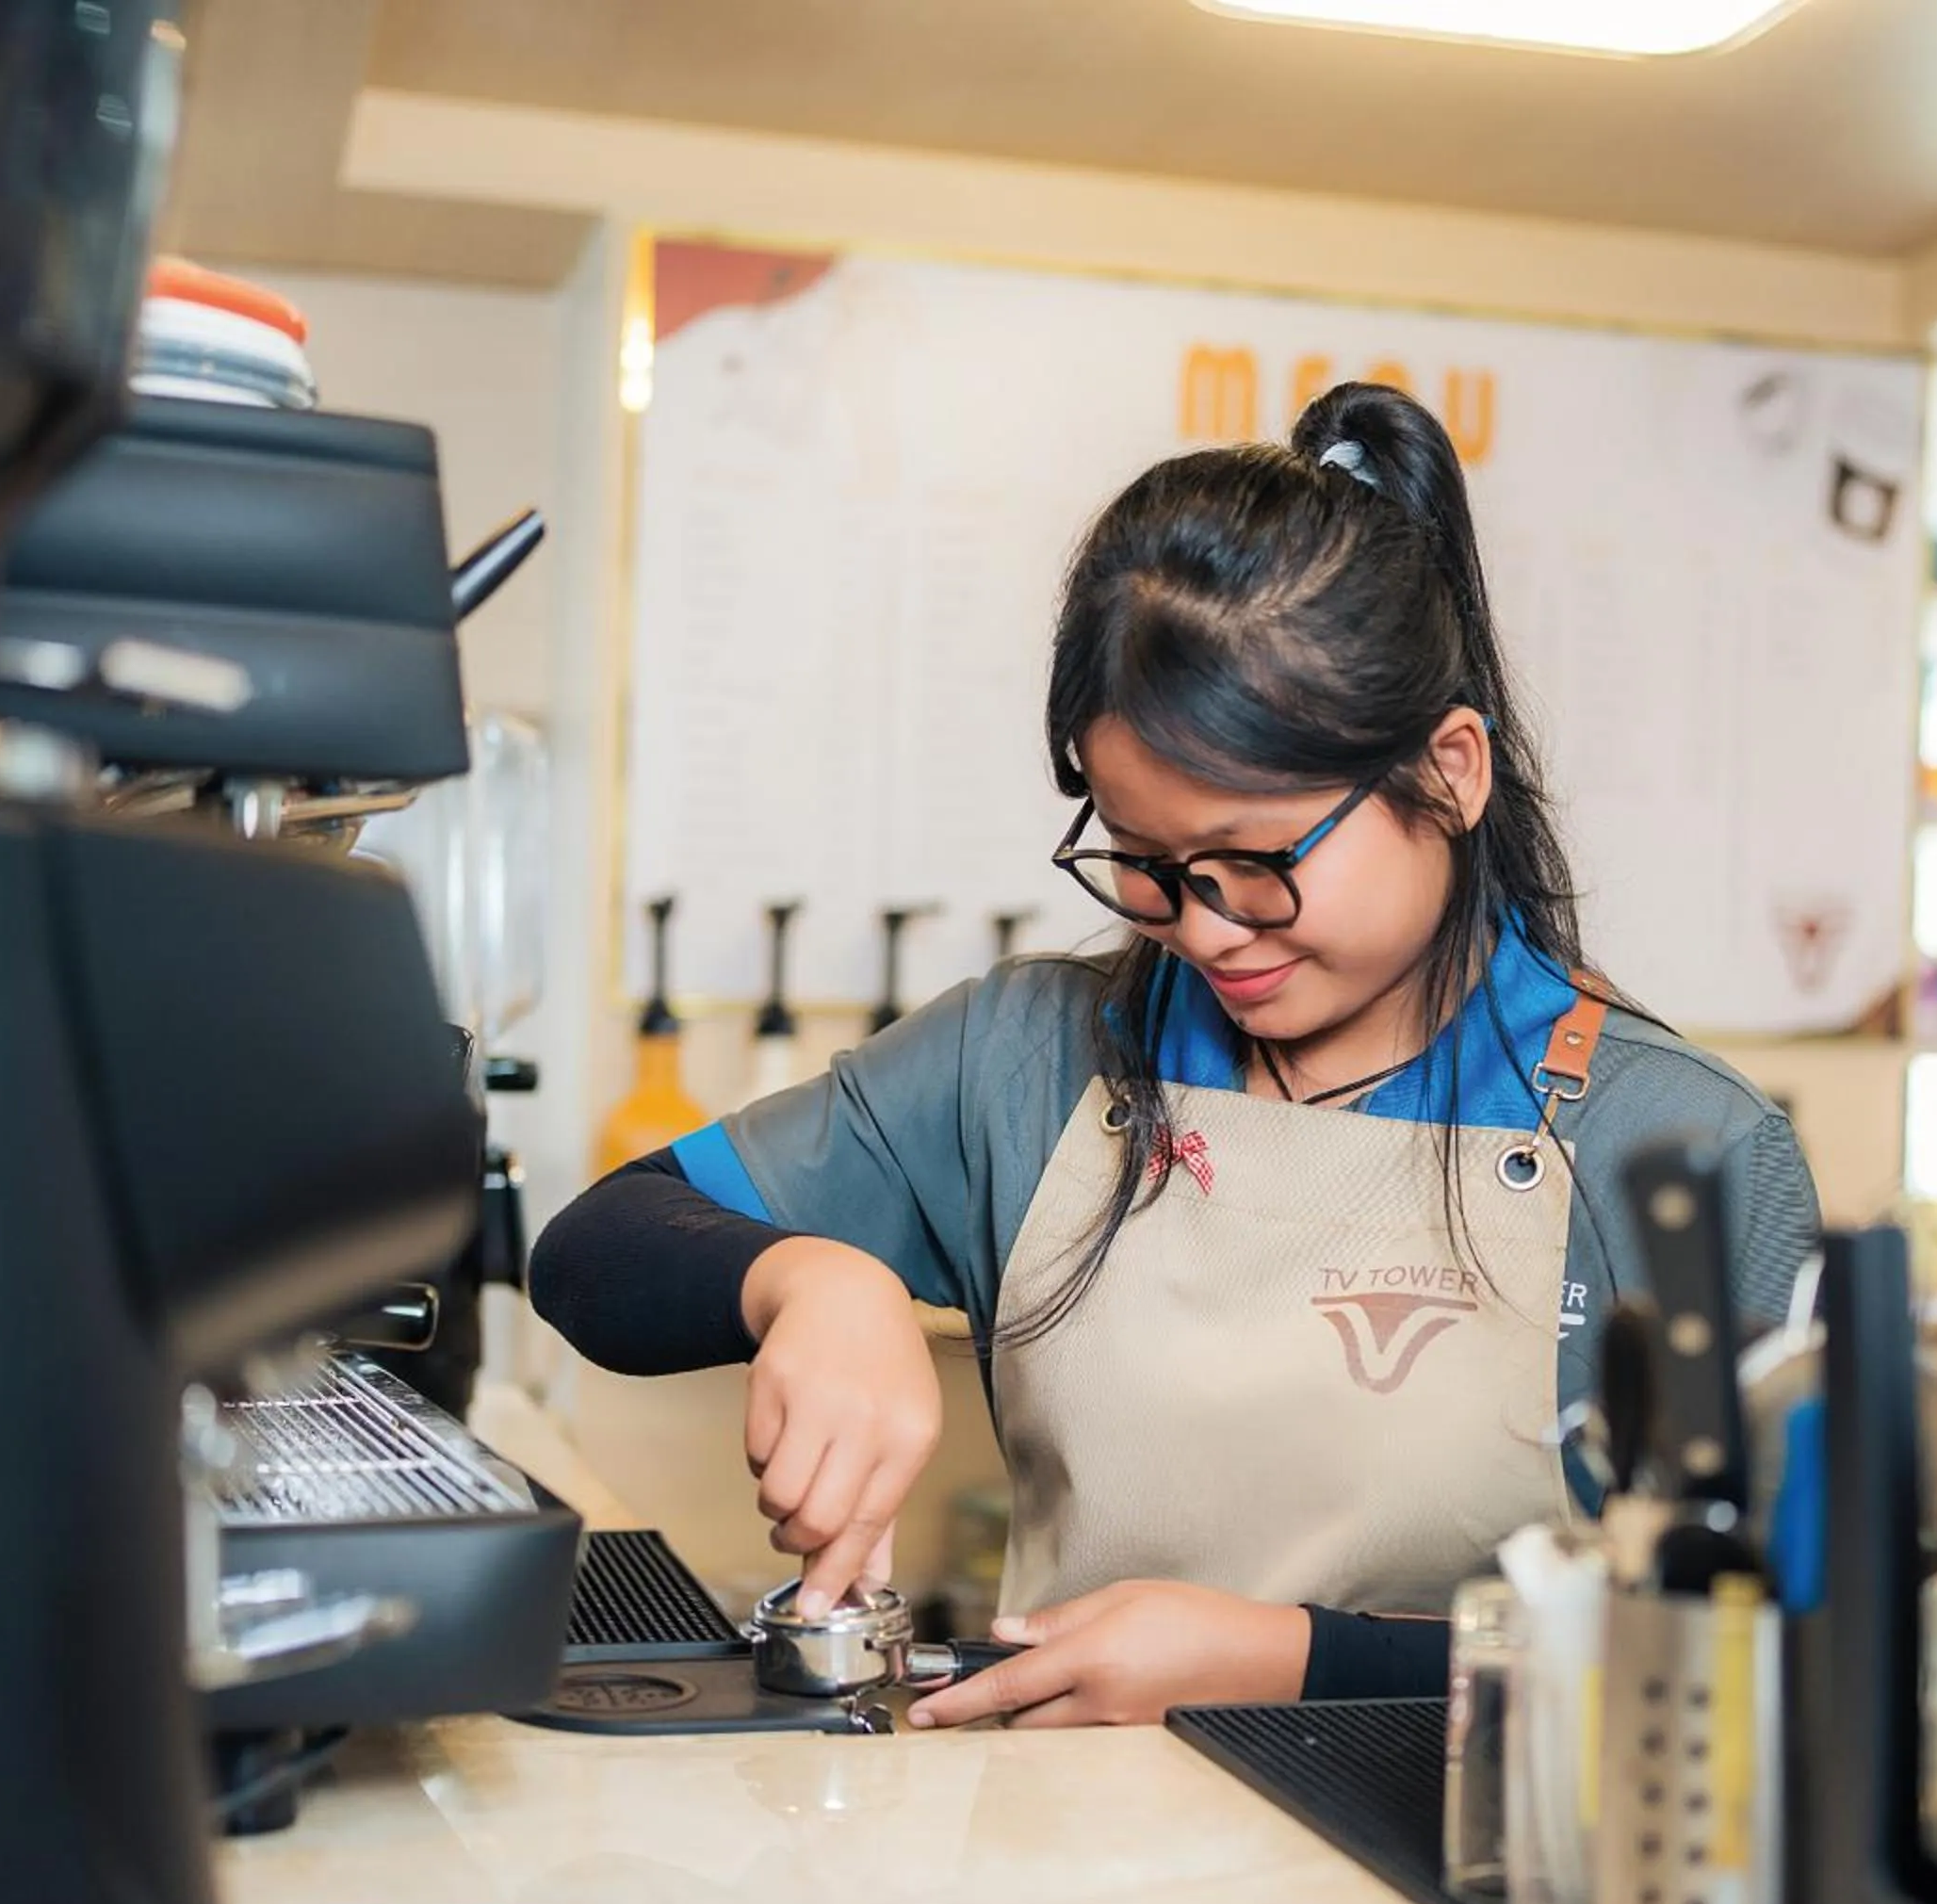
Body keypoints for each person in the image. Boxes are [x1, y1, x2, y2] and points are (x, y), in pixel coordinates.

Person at [530, 382, 1819, 1729]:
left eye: (1259, 864)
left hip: (1464, 1895)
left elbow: (1770, 1677)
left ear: (1449, 772)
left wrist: (1298, 1663)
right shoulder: (1028, 1058)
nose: (1203, 927)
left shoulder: (1676, 1153)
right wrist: (808, 1278)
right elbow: (591, 1257)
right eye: (1145, 865)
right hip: (1064, 1879)